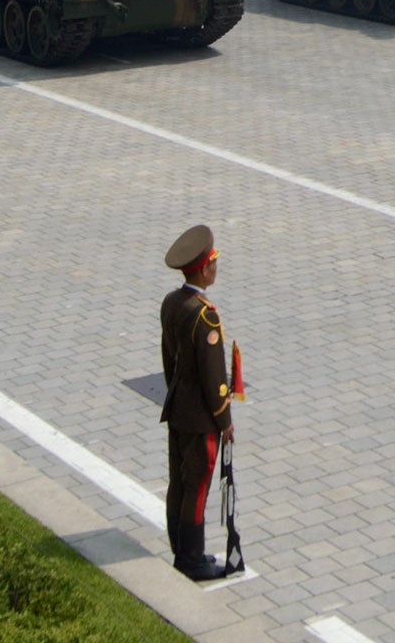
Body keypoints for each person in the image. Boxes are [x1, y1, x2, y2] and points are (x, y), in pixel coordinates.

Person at [160, 224, 236, 582]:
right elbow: (214, 379)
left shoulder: (172, 303)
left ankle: (179, 546)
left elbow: (168, 359)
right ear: (204, 269)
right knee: (197, 486)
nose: (216, 267)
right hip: (201, 418)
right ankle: (191, 559)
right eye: (214, 262)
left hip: (177, 408)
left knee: (178, 481)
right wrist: (225, 421)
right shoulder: (205, 316)